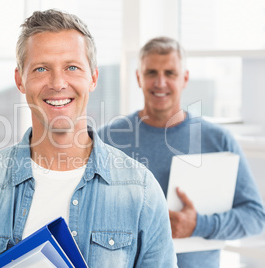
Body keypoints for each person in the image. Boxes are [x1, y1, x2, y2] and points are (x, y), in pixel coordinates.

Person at [0, 10, 176, 267]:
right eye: (41, 69)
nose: (57, 83)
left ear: (93, 78)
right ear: (20, 80)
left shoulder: (141, 191)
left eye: (72, 67)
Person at [98, 36, 265, 267]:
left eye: (170, 73)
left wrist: (198, 225)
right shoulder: (106, 139)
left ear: (185, 78)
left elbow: (255, 217)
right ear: (138, 77)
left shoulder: (218, 139)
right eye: (151, 73)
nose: (160, 82)